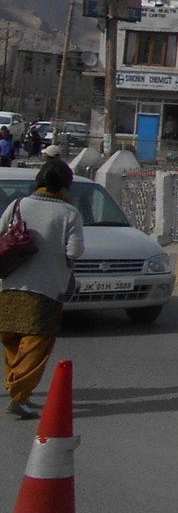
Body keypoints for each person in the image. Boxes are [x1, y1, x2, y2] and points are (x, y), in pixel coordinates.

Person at [0, 158, 84, 419]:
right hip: (45, 290)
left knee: (12, 339)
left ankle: (15, 388)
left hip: (10, 285)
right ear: (65, 186)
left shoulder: (18, 205)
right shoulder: (69, 213)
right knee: (36, 344)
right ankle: (19, 395)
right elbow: (75, 251)